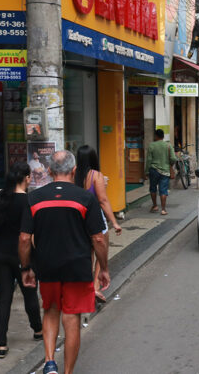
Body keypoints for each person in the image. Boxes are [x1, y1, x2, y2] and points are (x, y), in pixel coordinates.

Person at [19, 150, 110, 374]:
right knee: (71, 320)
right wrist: (104, 268)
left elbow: (23, 238)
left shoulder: (34, 197)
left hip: (47, 266)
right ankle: (67, 372)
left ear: (49, 171)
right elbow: (98, 238)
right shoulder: (86, 198)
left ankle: (50, 363)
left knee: (50, 311)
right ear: (74, 171)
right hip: (77, 268)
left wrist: (26, 268)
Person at [0, 161, 42, 359]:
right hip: (21, 253)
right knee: (29, 293)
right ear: (27, 178)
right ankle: (37, 330)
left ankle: (1, 344)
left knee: (3, 296)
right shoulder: (29, 201)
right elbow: (31, 234)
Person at [75, 145, 122, 303]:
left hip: (77, 219)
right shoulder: (96, 175)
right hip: (95, 219)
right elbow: (102, 200)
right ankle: (95, 287)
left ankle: (86, 288)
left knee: (87, 253)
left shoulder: (73, 174)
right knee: (101, 250)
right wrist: (114, 222)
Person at [145, 129, 177, 216]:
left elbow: (149, 160)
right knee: (163, 190)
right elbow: (174, 159)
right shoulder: (168, 145)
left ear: (156, 136)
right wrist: (169, 164)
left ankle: (155, 206)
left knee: (153, 188)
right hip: (165, 171)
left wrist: (146, 171)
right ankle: (163, 209)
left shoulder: (152, 145)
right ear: (163, 136)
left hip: (153, 170)